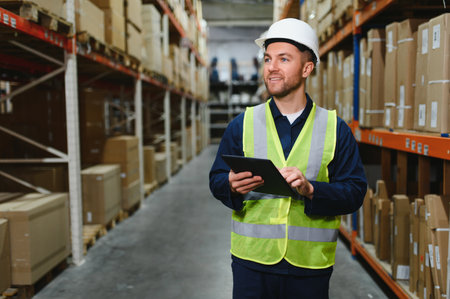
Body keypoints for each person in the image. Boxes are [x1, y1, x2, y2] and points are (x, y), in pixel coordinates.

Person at [209, 18, 367, 299]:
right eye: (268, 59)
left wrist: (312, 189)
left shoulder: (335, 129)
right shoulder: (242, 124)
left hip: (309, 266)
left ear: (307, 68)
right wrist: (230, 185)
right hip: (252, 264)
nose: (272, 67)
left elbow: (354, 192)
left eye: (284, 59)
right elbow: (217, 178)